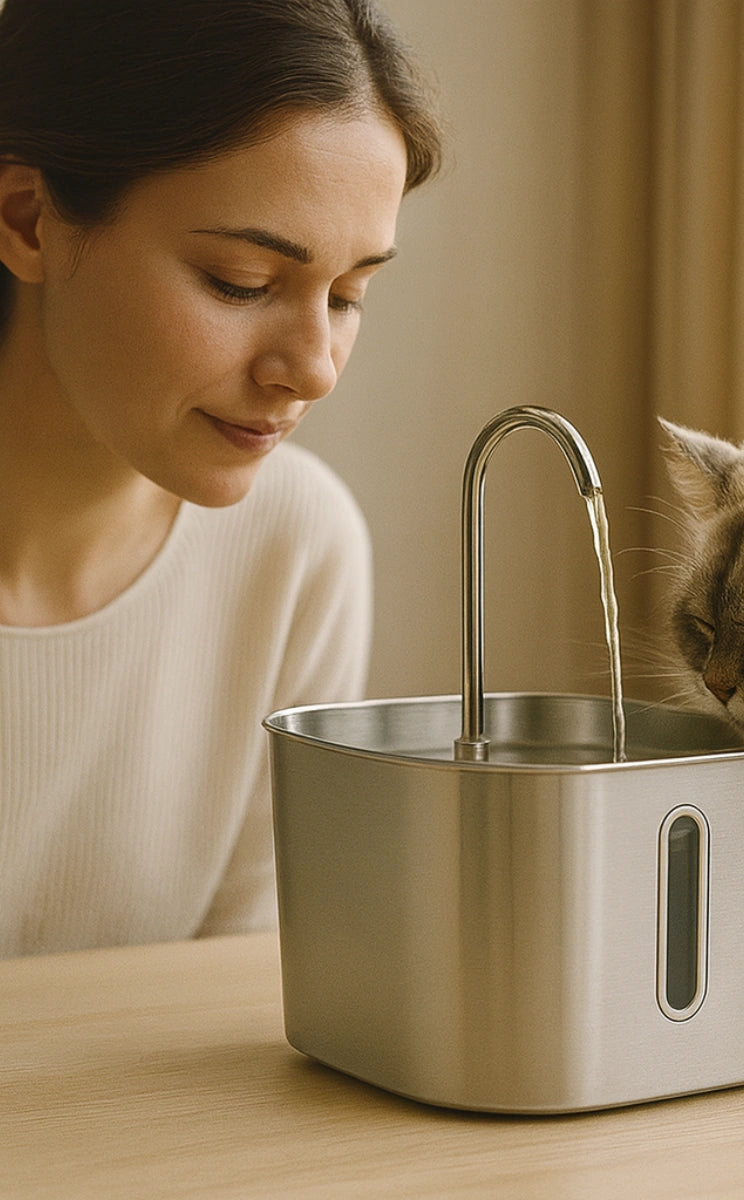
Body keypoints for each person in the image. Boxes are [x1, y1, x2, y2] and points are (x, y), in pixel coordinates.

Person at [0, 0, 442, 955]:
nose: (315, 370)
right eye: (242, 282)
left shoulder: (294, 549)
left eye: (349, 295)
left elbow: (227, 991)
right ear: (28, 219)